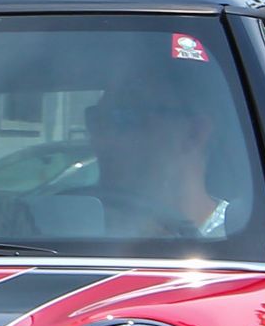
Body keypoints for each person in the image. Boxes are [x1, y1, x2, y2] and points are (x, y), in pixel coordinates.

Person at [87, 97, 231, 239]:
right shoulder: (86, 237)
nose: (100, 140)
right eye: (95, 120)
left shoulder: (236, 241)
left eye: (125, 118)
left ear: (193, 134)